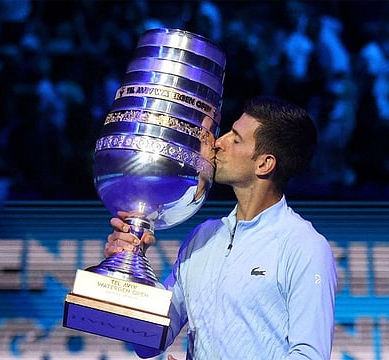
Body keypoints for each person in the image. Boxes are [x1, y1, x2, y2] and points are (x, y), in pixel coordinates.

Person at [105, 95, 338, 359]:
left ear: (264, 164)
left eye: (235, 138)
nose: (218, 142)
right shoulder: (203, 237)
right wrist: (130, 268)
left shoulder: (305, 246)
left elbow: (310, 356)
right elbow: (149, 342)